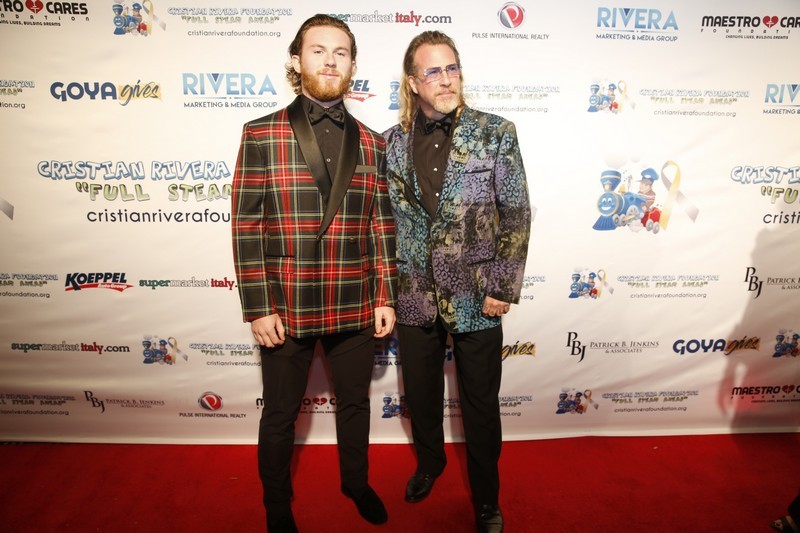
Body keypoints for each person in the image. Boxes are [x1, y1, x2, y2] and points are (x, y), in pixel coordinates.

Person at [231, 14, 397, 533]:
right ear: (296, 59)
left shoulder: (373, 142)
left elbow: (380, 224)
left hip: (353, 297)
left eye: (340, 52)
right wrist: (258, 307)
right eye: (318, 50)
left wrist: (385, 294)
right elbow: (246, 225)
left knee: (355, 405)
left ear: (352, 65)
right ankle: (276, 505)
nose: (330, 60)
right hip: (287, 302)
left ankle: (356, 483)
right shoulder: (261, 133)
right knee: (281, 414)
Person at [383, 31, 531, 533]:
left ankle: (487, 498)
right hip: (414, 295)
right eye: (433, 71)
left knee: (481, 405)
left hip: (477, 294)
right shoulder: (390, 142)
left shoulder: (496, 132)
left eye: (452, 68)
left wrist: (503, 286)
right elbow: (386, 222)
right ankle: (430, 464)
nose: (445, 79)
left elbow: (516, 212)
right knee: (422, 396)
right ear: (412, 82)